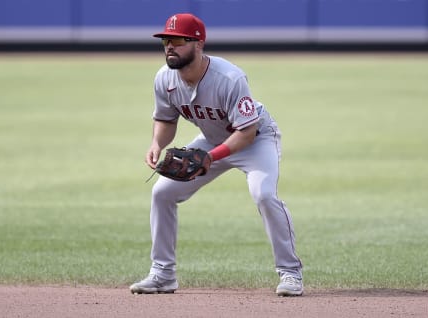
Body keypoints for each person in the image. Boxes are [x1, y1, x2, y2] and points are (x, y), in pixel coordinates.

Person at [129, 13, 303, 296]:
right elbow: (166, 120)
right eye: (166, 41)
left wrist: (211, 157)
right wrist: (156, 144)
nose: (169, 46)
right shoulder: (165, 79)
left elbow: (246, 132)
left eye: (177, 40)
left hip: (256, 140)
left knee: (264, 194)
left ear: (198, 44)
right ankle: (163, 274)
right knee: (162, 193)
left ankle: (290, 273)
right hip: (212, 139)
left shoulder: (229, 78)